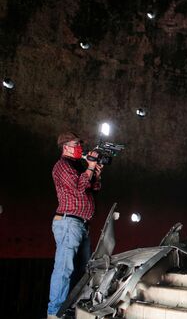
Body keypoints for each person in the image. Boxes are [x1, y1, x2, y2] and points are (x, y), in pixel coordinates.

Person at [48, 132, 103, 318]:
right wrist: (90, 167)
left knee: (82, 269)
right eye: (76, 144)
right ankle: (54, 312)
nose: (80, 147)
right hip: (68, 222)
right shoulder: (62, 166)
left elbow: (92, 188)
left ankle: (70, 308)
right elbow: (79, 188)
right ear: (66, 146)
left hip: (80, 225)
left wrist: (95, 173)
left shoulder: (77, 166)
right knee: (64, 269)